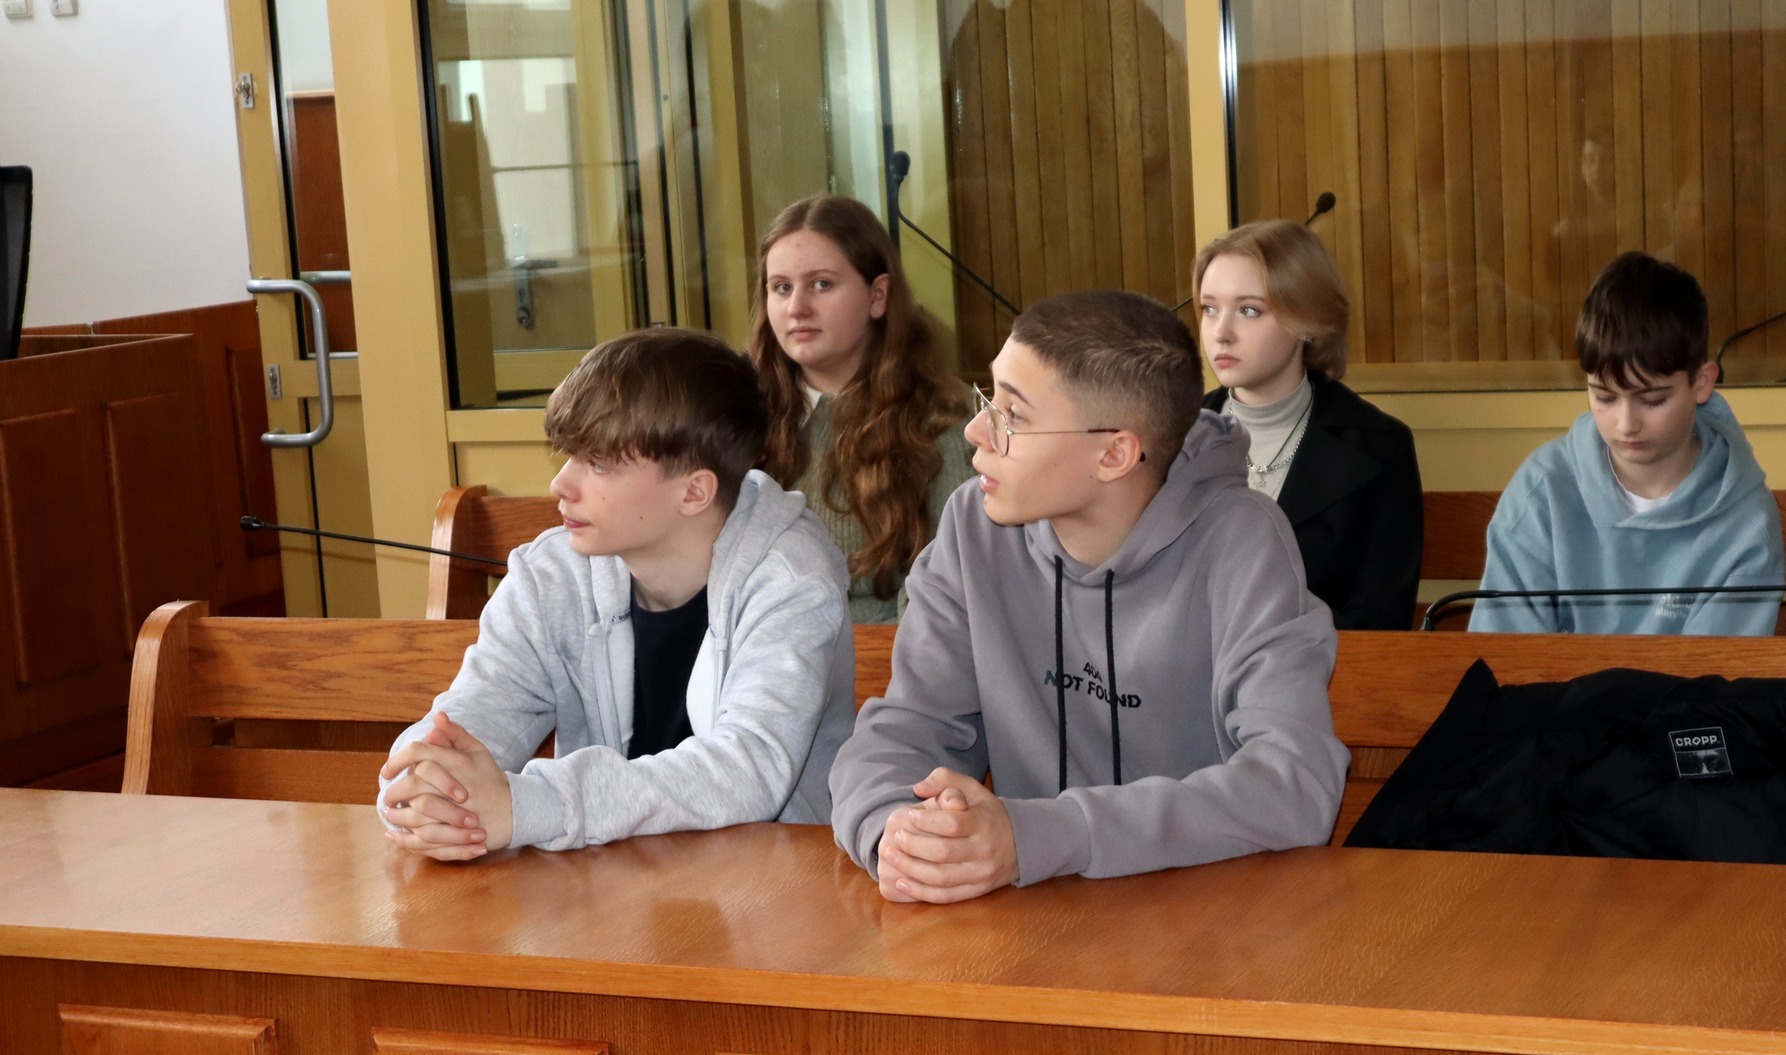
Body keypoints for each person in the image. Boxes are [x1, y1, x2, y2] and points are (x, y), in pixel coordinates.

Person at [828, 289, 1350, 903]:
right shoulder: (974, 527)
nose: (975, 430)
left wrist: (1042, 835)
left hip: (1214, 917)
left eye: (1014, 415)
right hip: (1032, 915)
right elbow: (905, 731)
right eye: (989, 399)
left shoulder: (1241, 540)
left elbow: (1295, 784)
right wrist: (900, 836)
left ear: (1114, 454)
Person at [378, 328, 854, 860]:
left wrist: (533, 804)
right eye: (569, 456)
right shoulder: (551, 575)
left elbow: (749, 770)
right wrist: (427, 787)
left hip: (769, 881)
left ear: (694, 491)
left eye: (599, 464)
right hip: (608, 879)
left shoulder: (791, 582)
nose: (561, 484)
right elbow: (476, 713)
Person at [1471, 251, 1783, 634]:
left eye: (1653, 400)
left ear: (1702, 383)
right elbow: (1501, 652)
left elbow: (1716, 671)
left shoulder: (1746, 522)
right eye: (1604, 397)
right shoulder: (1542, 490)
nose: (1625, 424)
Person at [750, 195, 975, 624]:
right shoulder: (736, 411)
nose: (796, 307)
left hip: (891, 656)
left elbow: (950, 600)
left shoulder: (947, 416)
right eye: (781, 287)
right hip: (754, 655)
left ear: (878, 296)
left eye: (822, 284)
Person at [1194, 220, 1423, 630]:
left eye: (1249, 310)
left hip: (1319, 667)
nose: (1221, 333)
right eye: (1209, 308)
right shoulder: (1170, 435)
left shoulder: (1378, 447)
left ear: (1307, 321)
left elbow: (1380, 621)